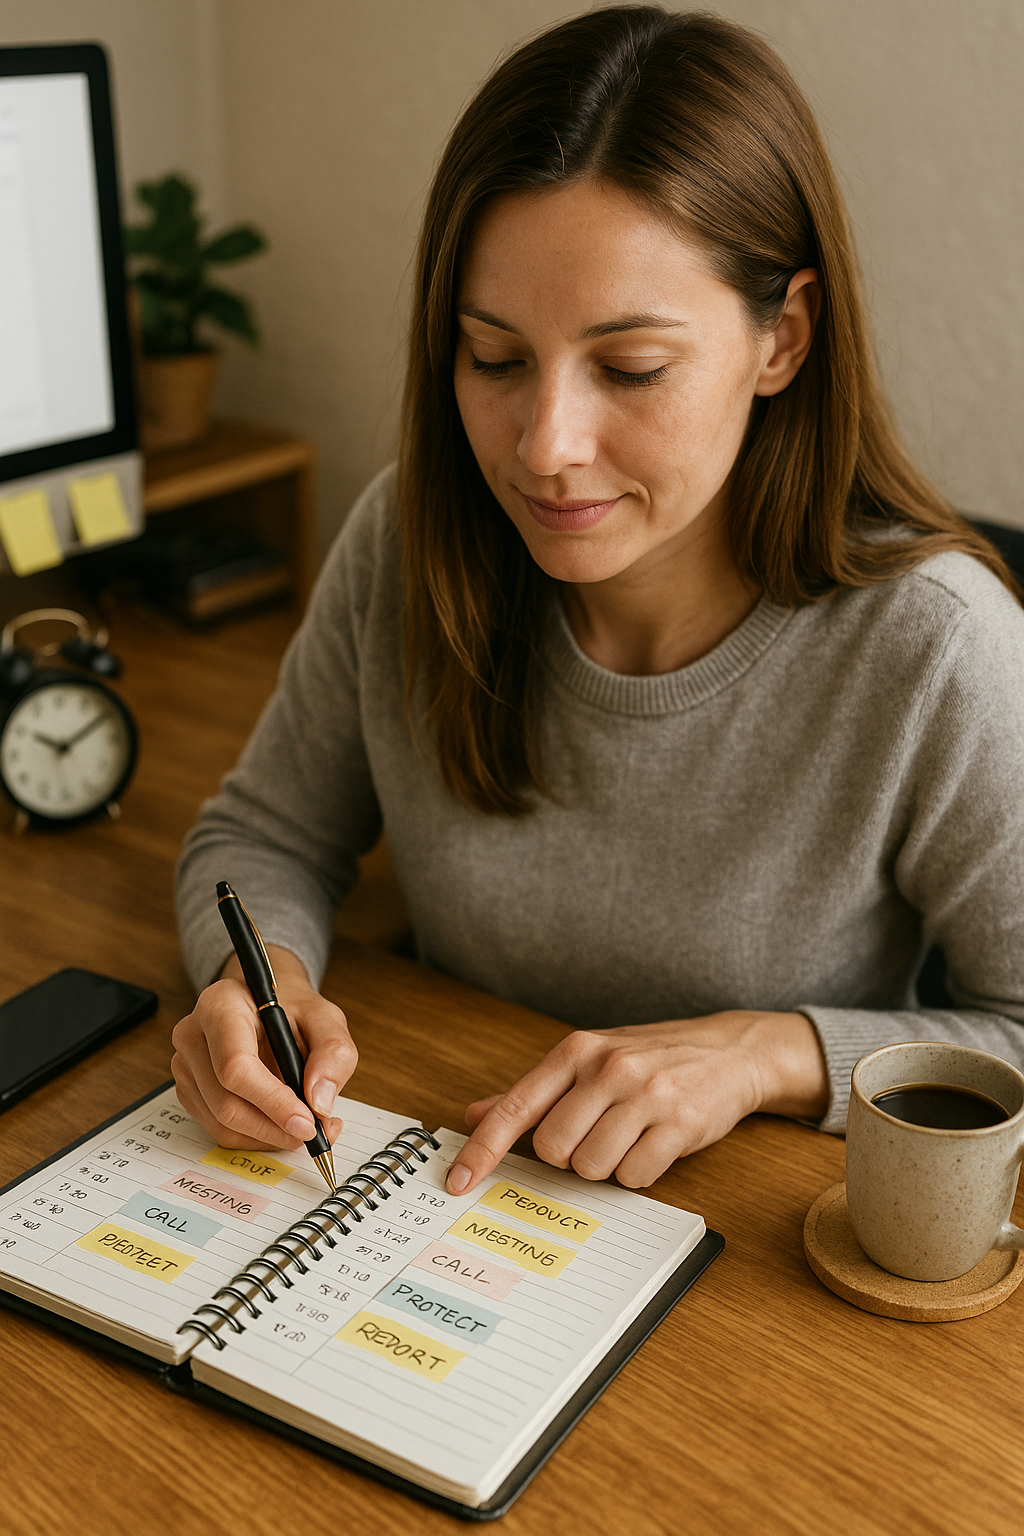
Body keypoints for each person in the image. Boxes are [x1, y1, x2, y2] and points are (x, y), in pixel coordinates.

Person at [171, 5, 1024, 1198]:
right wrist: (254, 980)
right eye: (492, 356)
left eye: (630, 368)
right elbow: (259, 837)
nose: (544, 447)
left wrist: (769, 1052)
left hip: (754, 1260)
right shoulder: (410, 537)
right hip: (450, 1183)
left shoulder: (938, 646)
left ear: (782, 336)